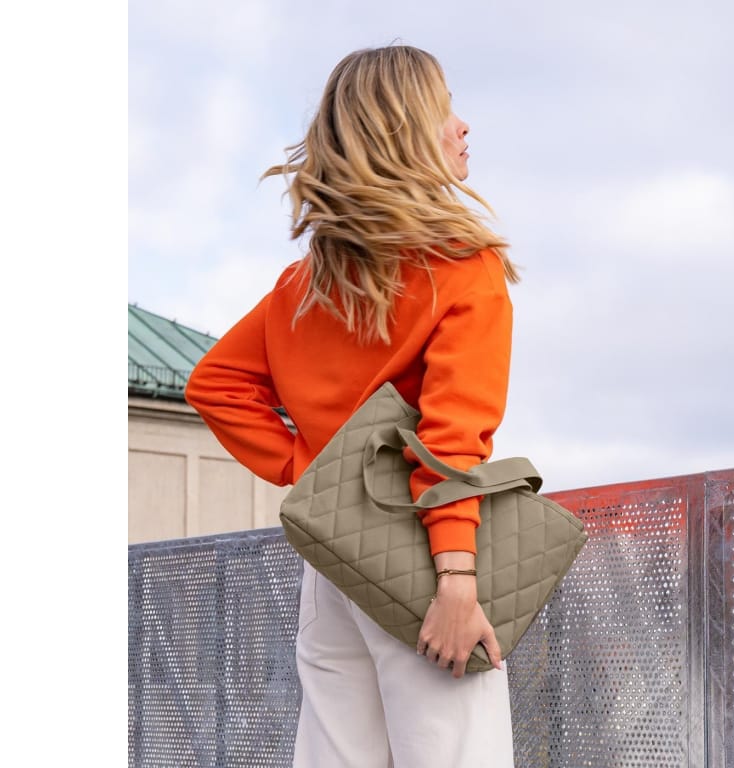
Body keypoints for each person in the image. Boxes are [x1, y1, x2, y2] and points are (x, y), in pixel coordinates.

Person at [184, 44, 518, 768]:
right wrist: (457, 581)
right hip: (425, 564)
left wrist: (309, 467)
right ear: (407, 133)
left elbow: (214, 385)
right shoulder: (464, 269)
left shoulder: (302, 288)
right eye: (445, 110)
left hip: (337, 562)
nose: (463, 126)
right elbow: (453, 439)